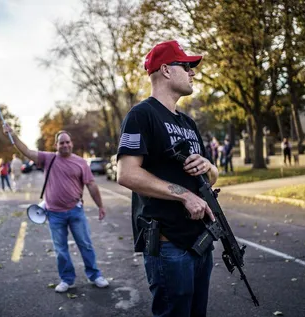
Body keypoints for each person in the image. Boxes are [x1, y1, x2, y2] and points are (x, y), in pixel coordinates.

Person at [116, 40, 219, 317]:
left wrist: (208, 165)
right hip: (168, 245)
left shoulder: (188, 123)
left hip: (200, 241)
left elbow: (212, 177)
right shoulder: (141, 115)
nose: (193, 72)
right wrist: (184, 195)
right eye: (186, 66)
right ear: (165, 70)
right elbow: (126, 173)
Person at [3, 125, 110, 292]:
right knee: (61, 249)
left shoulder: (81, 162)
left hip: (76, 211)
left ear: (71, 143)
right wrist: (13, 135)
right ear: (56, 145)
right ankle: (67, 280)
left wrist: (100, 206)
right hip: (54, 214)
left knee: (85, 245)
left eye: (67, 142)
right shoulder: (48, 158)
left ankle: (95, 275)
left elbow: (91, 185)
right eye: (61, 143)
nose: (65, 145)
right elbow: (27, 151)